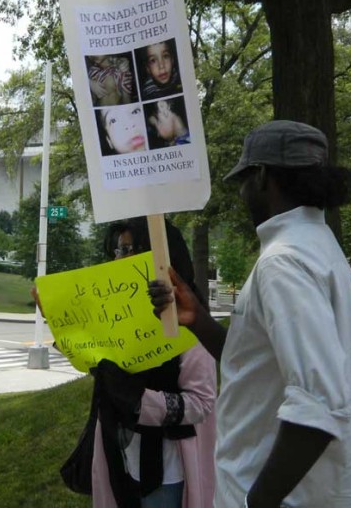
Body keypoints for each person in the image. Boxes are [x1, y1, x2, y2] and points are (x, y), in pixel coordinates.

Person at [148, 120, 351, 508]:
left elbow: (319, 401)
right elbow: (259, 368)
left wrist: (259, 501)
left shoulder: (284, 262)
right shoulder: (319, 246)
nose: (241, 193)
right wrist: (200, 321)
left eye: (242, 181)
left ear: (261, 178)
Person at [40, 217, 216, 508]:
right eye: (120, 251)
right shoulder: (115, 314)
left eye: (132, 249)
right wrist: (63, 323)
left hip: (169, 472)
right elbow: (95, 361)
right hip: (118, 457)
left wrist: (137, 400)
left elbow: (201, 402)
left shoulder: (187, 320)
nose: (123, 258)